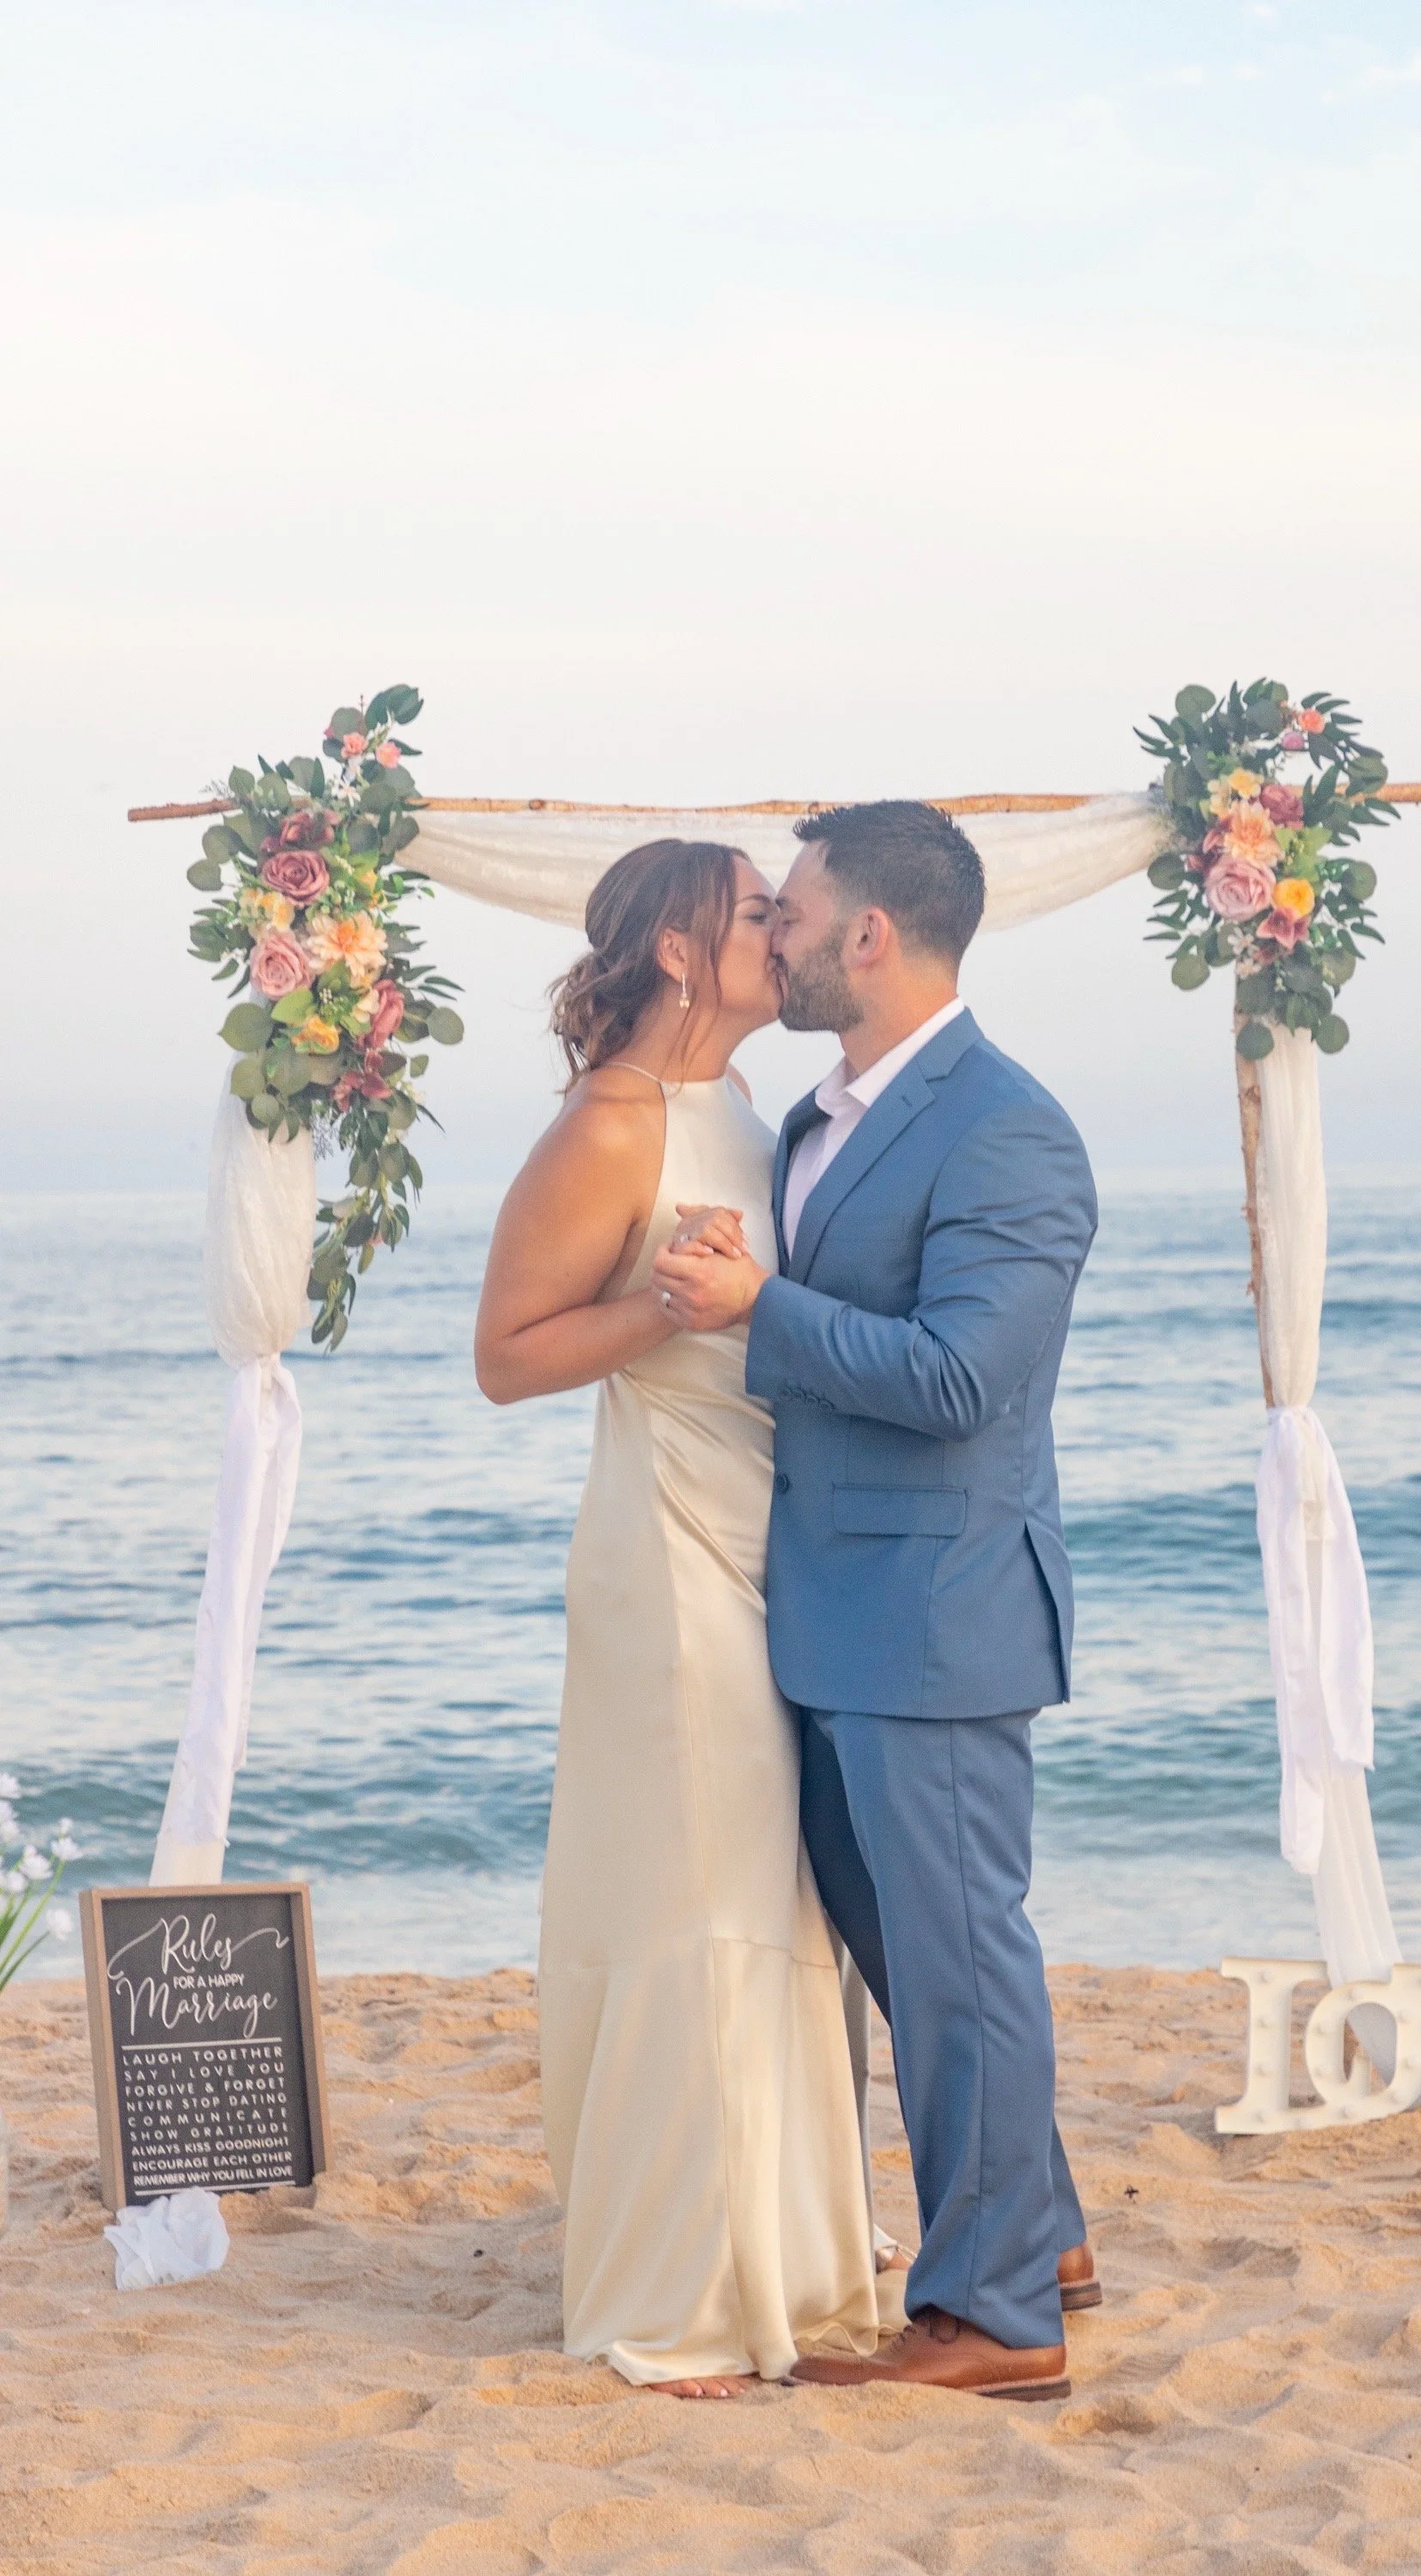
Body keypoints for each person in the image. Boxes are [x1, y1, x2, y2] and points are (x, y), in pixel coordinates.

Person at [654, 799, 1101, 2403]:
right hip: (824, 1609)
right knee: (915, 1959)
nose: (766, 938)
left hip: (942, 1613)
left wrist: (762, 1306)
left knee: (962, 1958)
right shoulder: (812, 1121)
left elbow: (966, 1381)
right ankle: (1036, 2231)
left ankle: (994, 2318)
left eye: (791, 915)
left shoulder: (1009, 1130)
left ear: (871, 937)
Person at [474, 838, 879, 2398]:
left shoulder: (747, 1114)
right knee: (700, 1896)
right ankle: (685, 2294)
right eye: (757, 918)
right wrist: (665, 1306)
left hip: (769, 1535)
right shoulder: (612, 1124)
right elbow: (506, 1355)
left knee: (772, 1907)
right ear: (677, 956)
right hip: (669, 1550)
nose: (787, 937)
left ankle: (783, 2253)